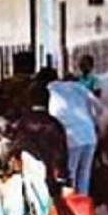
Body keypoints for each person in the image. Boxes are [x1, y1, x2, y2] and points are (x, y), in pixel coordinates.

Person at [14, 68, 70, 198]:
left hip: (27, 182)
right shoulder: (55, 124)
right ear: (48, 101)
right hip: (49, 181)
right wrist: (63, 178)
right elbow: (61, 155)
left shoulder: (20, 124)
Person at [49, 73, 106, 195]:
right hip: (89, 135)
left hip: (70, 137)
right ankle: (83, 207)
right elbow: (99, 108)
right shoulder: (79, 87)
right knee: (84, 175)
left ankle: (72, 208)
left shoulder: (50, 89)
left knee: (70, 174)